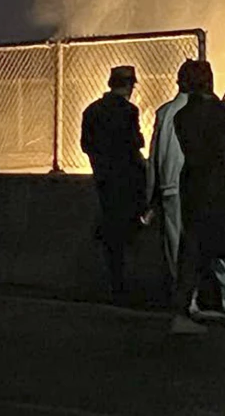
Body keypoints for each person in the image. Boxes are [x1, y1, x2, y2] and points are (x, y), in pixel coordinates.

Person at [171, 60, 225, 334]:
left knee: (192, 254)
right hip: (223, 190)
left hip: (194, 191)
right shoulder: (223, 112)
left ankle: (181, 314)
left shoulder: (182, 116)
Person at [147, 60, 225, 315]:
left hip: (171, 190)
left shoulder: (165, 113)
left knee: (178, 247)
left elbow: (155, 158)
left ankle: (189, 299)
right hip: (202, 187)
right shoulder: (209, 111)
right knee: (218, 238)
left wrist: (151, 197)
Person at [81, 66, 147, 304]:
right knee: (131, 228)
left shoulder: (91, 111)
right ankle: (127, 286)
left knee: (110, 227)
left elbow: (85, 145)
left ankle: (114, 282)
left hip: (103, 177)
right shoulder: (128, 111)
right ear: (129, 86)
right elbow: (135, 141)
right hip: (127, 179)